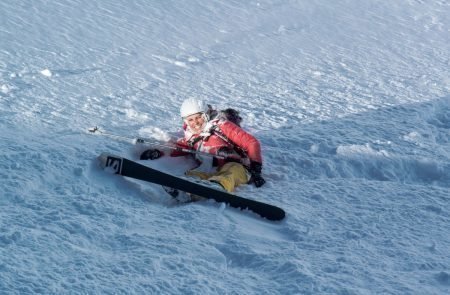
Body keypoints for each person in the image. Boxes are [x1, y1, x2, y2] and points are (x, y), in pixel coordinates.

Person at [140, 98, 265, 194]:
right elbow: (177, 148)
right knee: (192, 175)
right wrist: (158, 152)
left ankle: (217, 188)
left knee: (230, 173)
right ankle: (184, 190)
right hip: (209, 170)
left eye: (198, 117)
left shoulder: (221, 126)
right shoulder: (192, 137)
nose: (195, 123)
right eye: (191, 120)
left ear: (205, 115)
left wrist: (256, 169)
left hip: (238, 167)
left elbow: (251, 142)